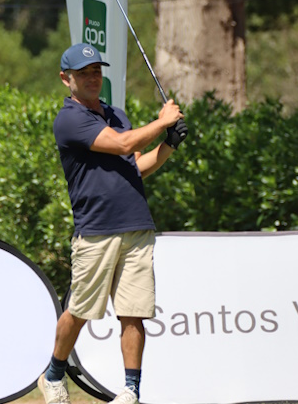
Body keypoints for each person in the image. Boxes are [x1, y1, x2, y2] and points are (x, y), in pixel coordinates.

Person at [38, 43, 188, 404]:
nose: (93, 78)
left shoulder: (117, 114)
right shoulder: (69, 119)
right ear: (66, 79)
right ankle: (54, 373)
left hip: (136, 224)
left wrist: (169, 143)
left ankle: (130, 391)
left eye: (96, 71)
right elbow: (122, 145)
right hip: (95, 229)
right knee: (80, 310)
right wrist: (162, 121)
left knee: (133, 313)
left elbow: (137, 165)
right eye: (83, 73)